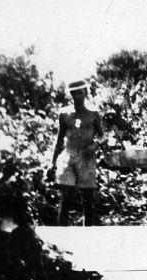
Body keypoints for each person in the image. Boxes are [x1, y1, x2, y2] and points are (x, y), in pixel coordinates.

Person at [50, 80, 104, 226]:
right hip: (68, 156)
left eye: (80, 93)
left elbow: (101, 136)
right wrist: (52, 162)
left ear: (85, 93)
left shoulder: (93, 113)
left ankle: (88, 234)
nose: (77, 96)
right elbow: (59, 139)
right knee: (65, 197)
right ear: (71, 95)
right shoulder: (64, 114)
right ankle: (60, 236)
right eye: (74, 93)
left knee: (87, 200)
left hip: (86, 158)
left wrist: (93, 147)